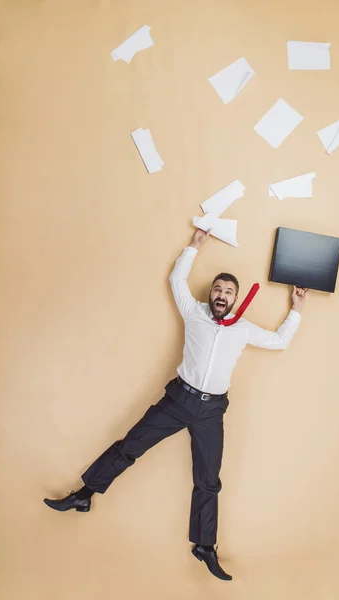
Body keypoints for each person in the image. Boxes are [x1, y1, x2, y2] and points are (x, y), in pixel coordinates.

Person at [44, 229, 307, 581]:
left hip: (211, 411)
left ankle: (204, 546)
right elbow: (176, 278)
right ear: (210, 294)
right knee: (129, 447)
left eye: (229, 292)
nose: (222, 295)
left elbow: (278, 341)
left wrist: (297, 309)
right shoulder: (194, 312)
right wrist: (194, 246)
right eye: (218, 289)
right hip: (178, 399)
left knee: (208, 481)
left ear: (236, 298)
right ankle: (83, 495)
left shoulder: (241, 329)